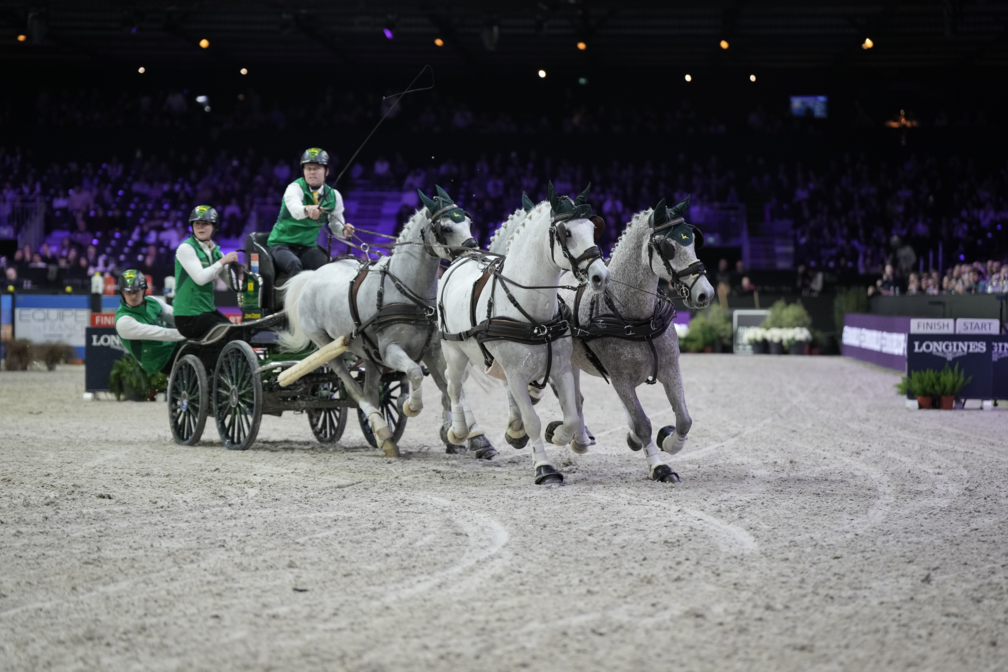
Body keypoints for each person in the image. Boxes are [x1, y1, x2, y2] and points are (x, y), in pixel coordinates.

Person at [267, 147, 354, 278]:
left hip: (307, 247)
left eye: (317, 168)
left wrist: (344, 231)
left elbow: (336, 226)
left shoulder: (335, 196)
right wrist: (308, 210)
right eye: (308, 168)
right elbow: (295, 209)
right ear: (303, 171)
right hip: (281, 245)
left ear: (327, 171)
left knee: (327, 267)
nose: (312, 172)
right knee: (294, 264)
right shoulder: (294, 188)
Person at [173, 205, 238, 340]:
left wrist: (248, 284)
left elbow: (232, 283)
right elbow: (201, 279)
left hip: (206, 312)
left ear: (214, 226)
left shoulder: (215, 251)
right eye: (197, 223)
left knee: (237, 333)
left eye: (205, 223)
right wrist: (223, 261)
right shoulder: (186, 248)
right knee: (229, 336)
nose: (201, 227)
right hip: (188, 317)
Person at [114, 269, 185, 376]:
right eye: (129, 292)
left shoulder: (153, 302)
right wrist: (188, 333)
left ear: (143, 290)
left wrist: (196, 324)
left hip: (173, 345)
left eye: (136, 291)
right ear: (122, 293)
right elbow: (160, 333)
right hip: (158, 360)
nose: (133, 296)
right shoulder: (123, 321)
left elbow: (176, 317)